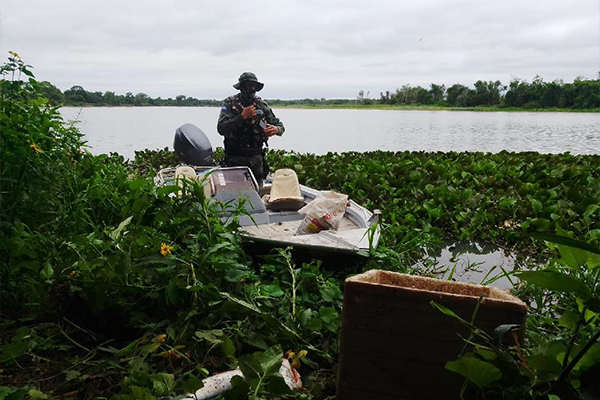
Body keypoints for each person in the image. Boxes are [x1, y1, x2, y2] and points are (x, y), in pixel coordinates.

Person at [217, 72, 284, 187]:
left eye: (254, 86)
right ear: (241, 87)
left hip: (256, 161)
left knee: (256, 195)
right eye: (248, 85)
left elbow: (280, 126)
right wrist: (242, 117)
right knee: (235, 196)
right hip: (235, 160)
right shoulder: (229, 104)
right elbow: (221, 128)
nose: (251, 89)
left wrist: (275, 129)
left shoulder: (261, 105)